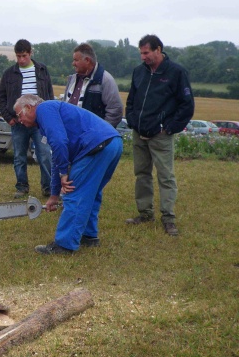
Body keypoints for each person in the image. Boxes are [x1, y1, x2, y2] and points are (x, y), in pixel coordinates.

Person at [14, 94, 123, 255]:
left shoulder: (44, 109)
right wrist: (53, 195)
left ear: (29, 107)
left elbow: (59, 142)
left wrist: (64, 173)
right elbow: (57, 156)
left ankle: (64, 245)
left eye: (19, 115)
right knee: (91, 193)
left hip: (96, 147)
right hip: (112, 143)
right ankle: (88, 236)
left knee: (74, 194)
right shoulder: (47, 117)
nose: (19, 120)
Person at [125, 34, 194, 236]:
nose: (143, 57)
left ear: (158, 50)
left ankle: (168, 218)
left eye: (146, 53)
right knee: (142, 174)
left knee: (166, 177)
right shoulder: (139, 72)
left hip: (161, 135)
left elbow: (187, 105)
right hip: (140, 133)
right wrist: (132, 119)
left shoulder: (177, 73)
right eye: (141, 53)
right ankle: (145, 213)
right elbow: (131, 100)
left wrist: (169, 127)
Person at [0, 39, 54, 198]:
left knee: (45, 154)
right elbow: (0, 99)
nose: (21, 60)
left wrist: (48, 118)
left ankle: (48, 187)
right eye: (18, 56)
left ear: (30, 53)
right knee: (19, 156)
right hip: (18, 123)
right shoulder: (9, 73)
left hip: (40, 123)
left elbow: (49, 96)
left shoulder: (42, 70)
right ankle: (22, 186)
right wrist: (9, 118)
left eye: (24, 56)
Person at [63, 43, 123, 127]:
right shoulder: (72, 79)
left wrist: (100, 132)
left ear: (87, 60)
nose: (73, 63)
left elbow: (115, 110)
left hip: (93, 137)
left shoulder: (106, 80)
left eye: (76, 60)